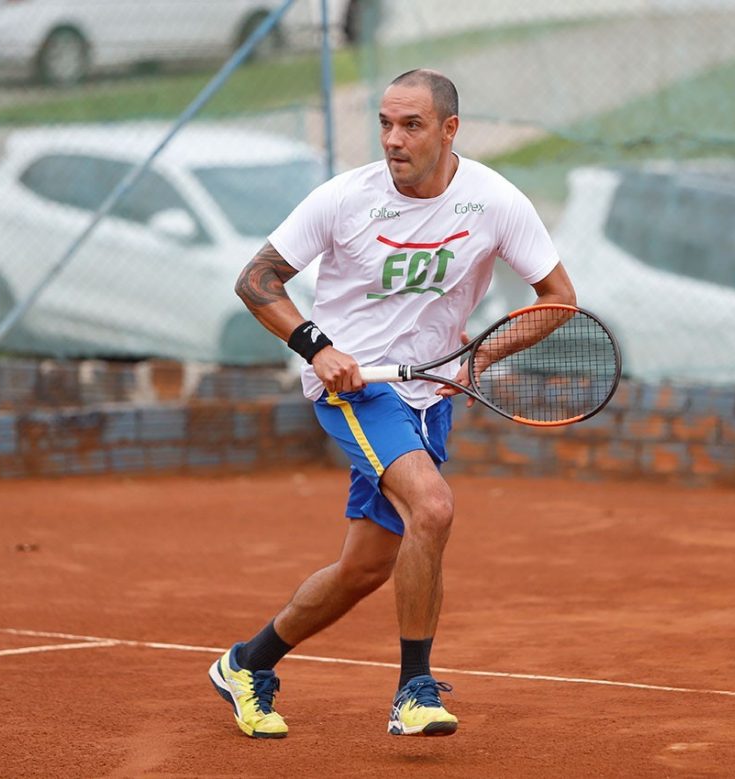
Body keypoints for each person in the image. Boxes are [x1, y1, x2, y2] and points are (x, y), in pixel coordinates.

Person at [208, 68, 576, 739]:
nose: (392, 139)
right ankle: (414, 688)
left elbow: (557, 297)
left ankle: (246, 663)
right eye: (384, 123)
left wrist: (479, 357)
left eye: (410, 125)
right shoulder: (345, 198)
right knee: (431, 506)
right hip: (355, 390)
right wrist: (317, 346)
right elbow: (256, 278)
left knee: (365, 567)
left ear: (449, 130)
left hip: (431, 396)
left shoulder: (493, 201)